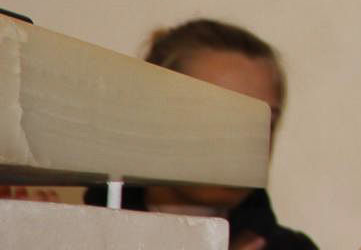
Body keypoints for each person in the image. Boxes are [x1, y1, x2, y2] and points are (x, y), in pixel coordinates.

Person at [85, 19, 317, 250]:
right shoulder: (80, 238)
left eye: (264, 123)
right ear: (151, 116)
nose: (243, 143)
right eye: (218, 116)